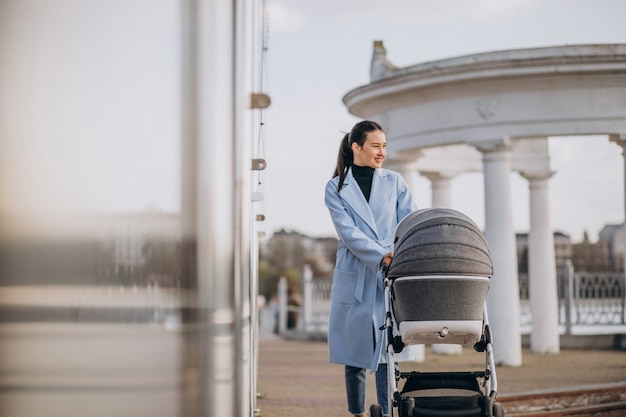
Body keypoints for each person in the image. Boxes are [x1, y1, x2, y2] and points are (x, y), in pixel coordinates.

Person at [324, 120, 417, 417]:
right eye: (375, 146)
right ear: (356, 147)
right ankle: (358, 413)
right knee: (354, 352)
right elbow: (348, 233)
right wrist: (382, 255)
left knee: (386, 350)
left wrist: (399, 257)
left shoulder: (395, 181)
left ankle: (388, 411)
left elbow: (409, 223)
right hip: (358, 268)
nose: (382, 152)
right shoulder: (336, 187)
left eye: (384, 146)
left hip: (391, 270)